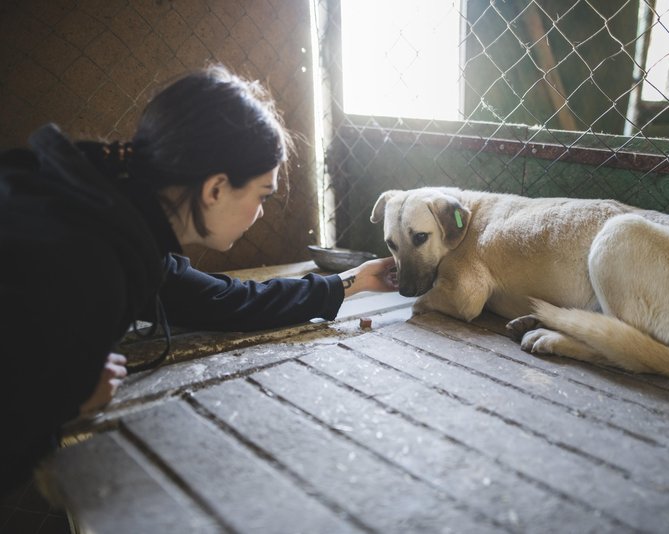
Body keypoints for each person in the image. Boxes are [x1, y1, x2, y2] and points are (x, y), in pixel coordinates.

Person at [0, 64, 398, 493]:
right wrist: (65, 398)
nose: (260, 212)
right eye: (262, 195)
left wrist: (350, 281)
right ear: (215, 189)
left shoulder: (117, 212)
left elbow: (218, 301)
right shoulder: (93, 260)